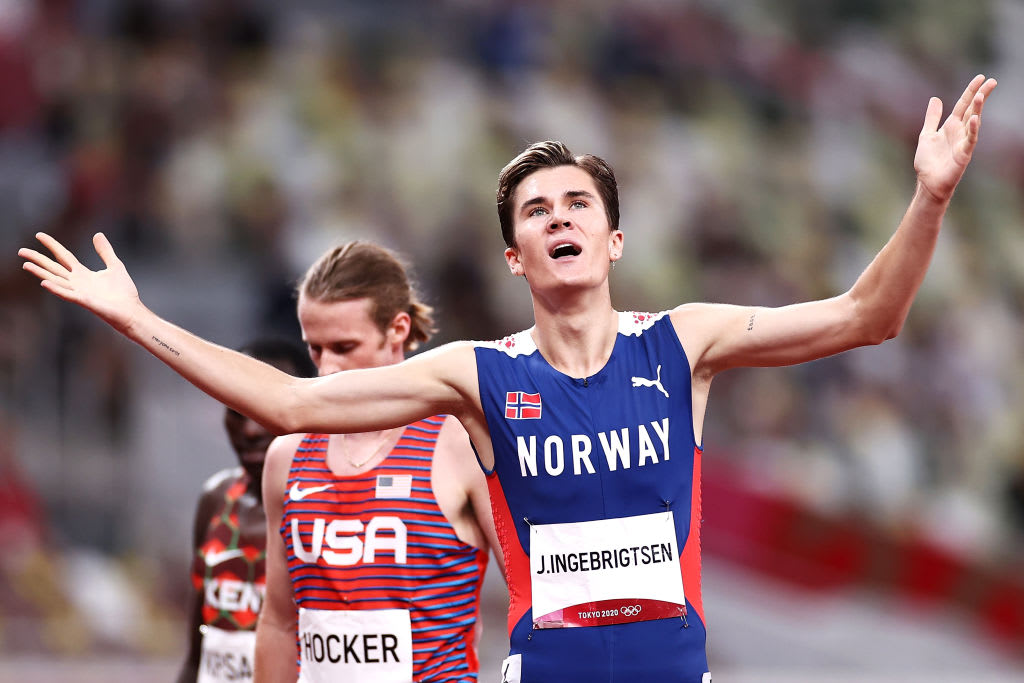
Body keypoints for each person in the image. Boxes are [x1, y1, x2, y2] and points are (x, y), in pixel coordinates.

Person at [19, 75, 996, 682]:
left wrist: (930, 196)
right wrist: (137, 317)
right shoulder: (478, 378)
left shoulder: (684, 341)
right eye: (535, 210)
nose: (558, 215)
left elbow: (870, 316)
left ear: (613, 239)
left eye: (578, 201)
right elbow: (287, 402)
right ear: (514, 258)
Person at [253, 241, 502, 682]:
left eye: (344, 346)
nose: (326, 368)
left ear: (398, 330)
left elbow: (531, 596)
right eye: (315, 349)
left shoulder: (460, 444)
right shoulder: (287, 456)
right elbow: (278, 621)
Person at [178, 337, 316, 683]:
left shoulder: (328, 509)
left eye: (264, 409)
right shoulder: (216, 500)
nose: (251, 430)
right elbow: (197, 656)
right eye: (237, 410)